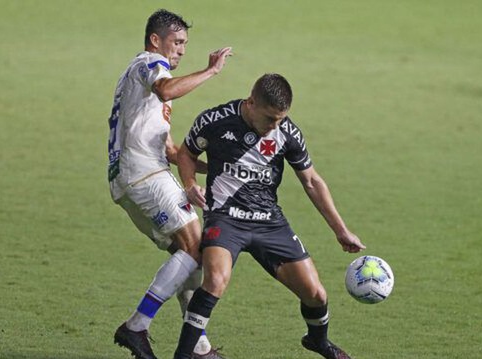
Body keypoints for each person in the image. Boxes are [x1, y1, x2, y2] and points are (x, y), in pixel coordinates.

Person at [173, 73, 366, 359]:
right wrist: (190, 186)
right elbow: (186, 154)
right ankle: (183, 355)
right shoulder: (215, 120)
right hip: (226, 218)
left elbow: (311, 181)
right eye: (270, 119)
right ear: (251, 103)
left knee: (316, 295)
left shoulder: (287, 132)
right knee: (215, 281)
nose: (274, 126)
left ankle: (317, 341)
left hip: (269, 221)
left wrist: (341, 230)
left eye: (280, 119)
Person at [107, 9, 232, 359]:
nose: (180, 51)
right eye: (176, 43)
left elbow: (171, 150)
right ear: (155, 40)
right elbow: (165, 89)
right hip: (144, 173)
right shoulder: (149, 64)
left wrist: (216, 168)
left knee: (189, 253)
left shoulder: (138, 82)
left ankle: (199, 347)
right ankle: (136, 326)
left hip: (134, 176)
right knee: (196, 248)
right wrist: (210, 72)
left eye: (184, 45)